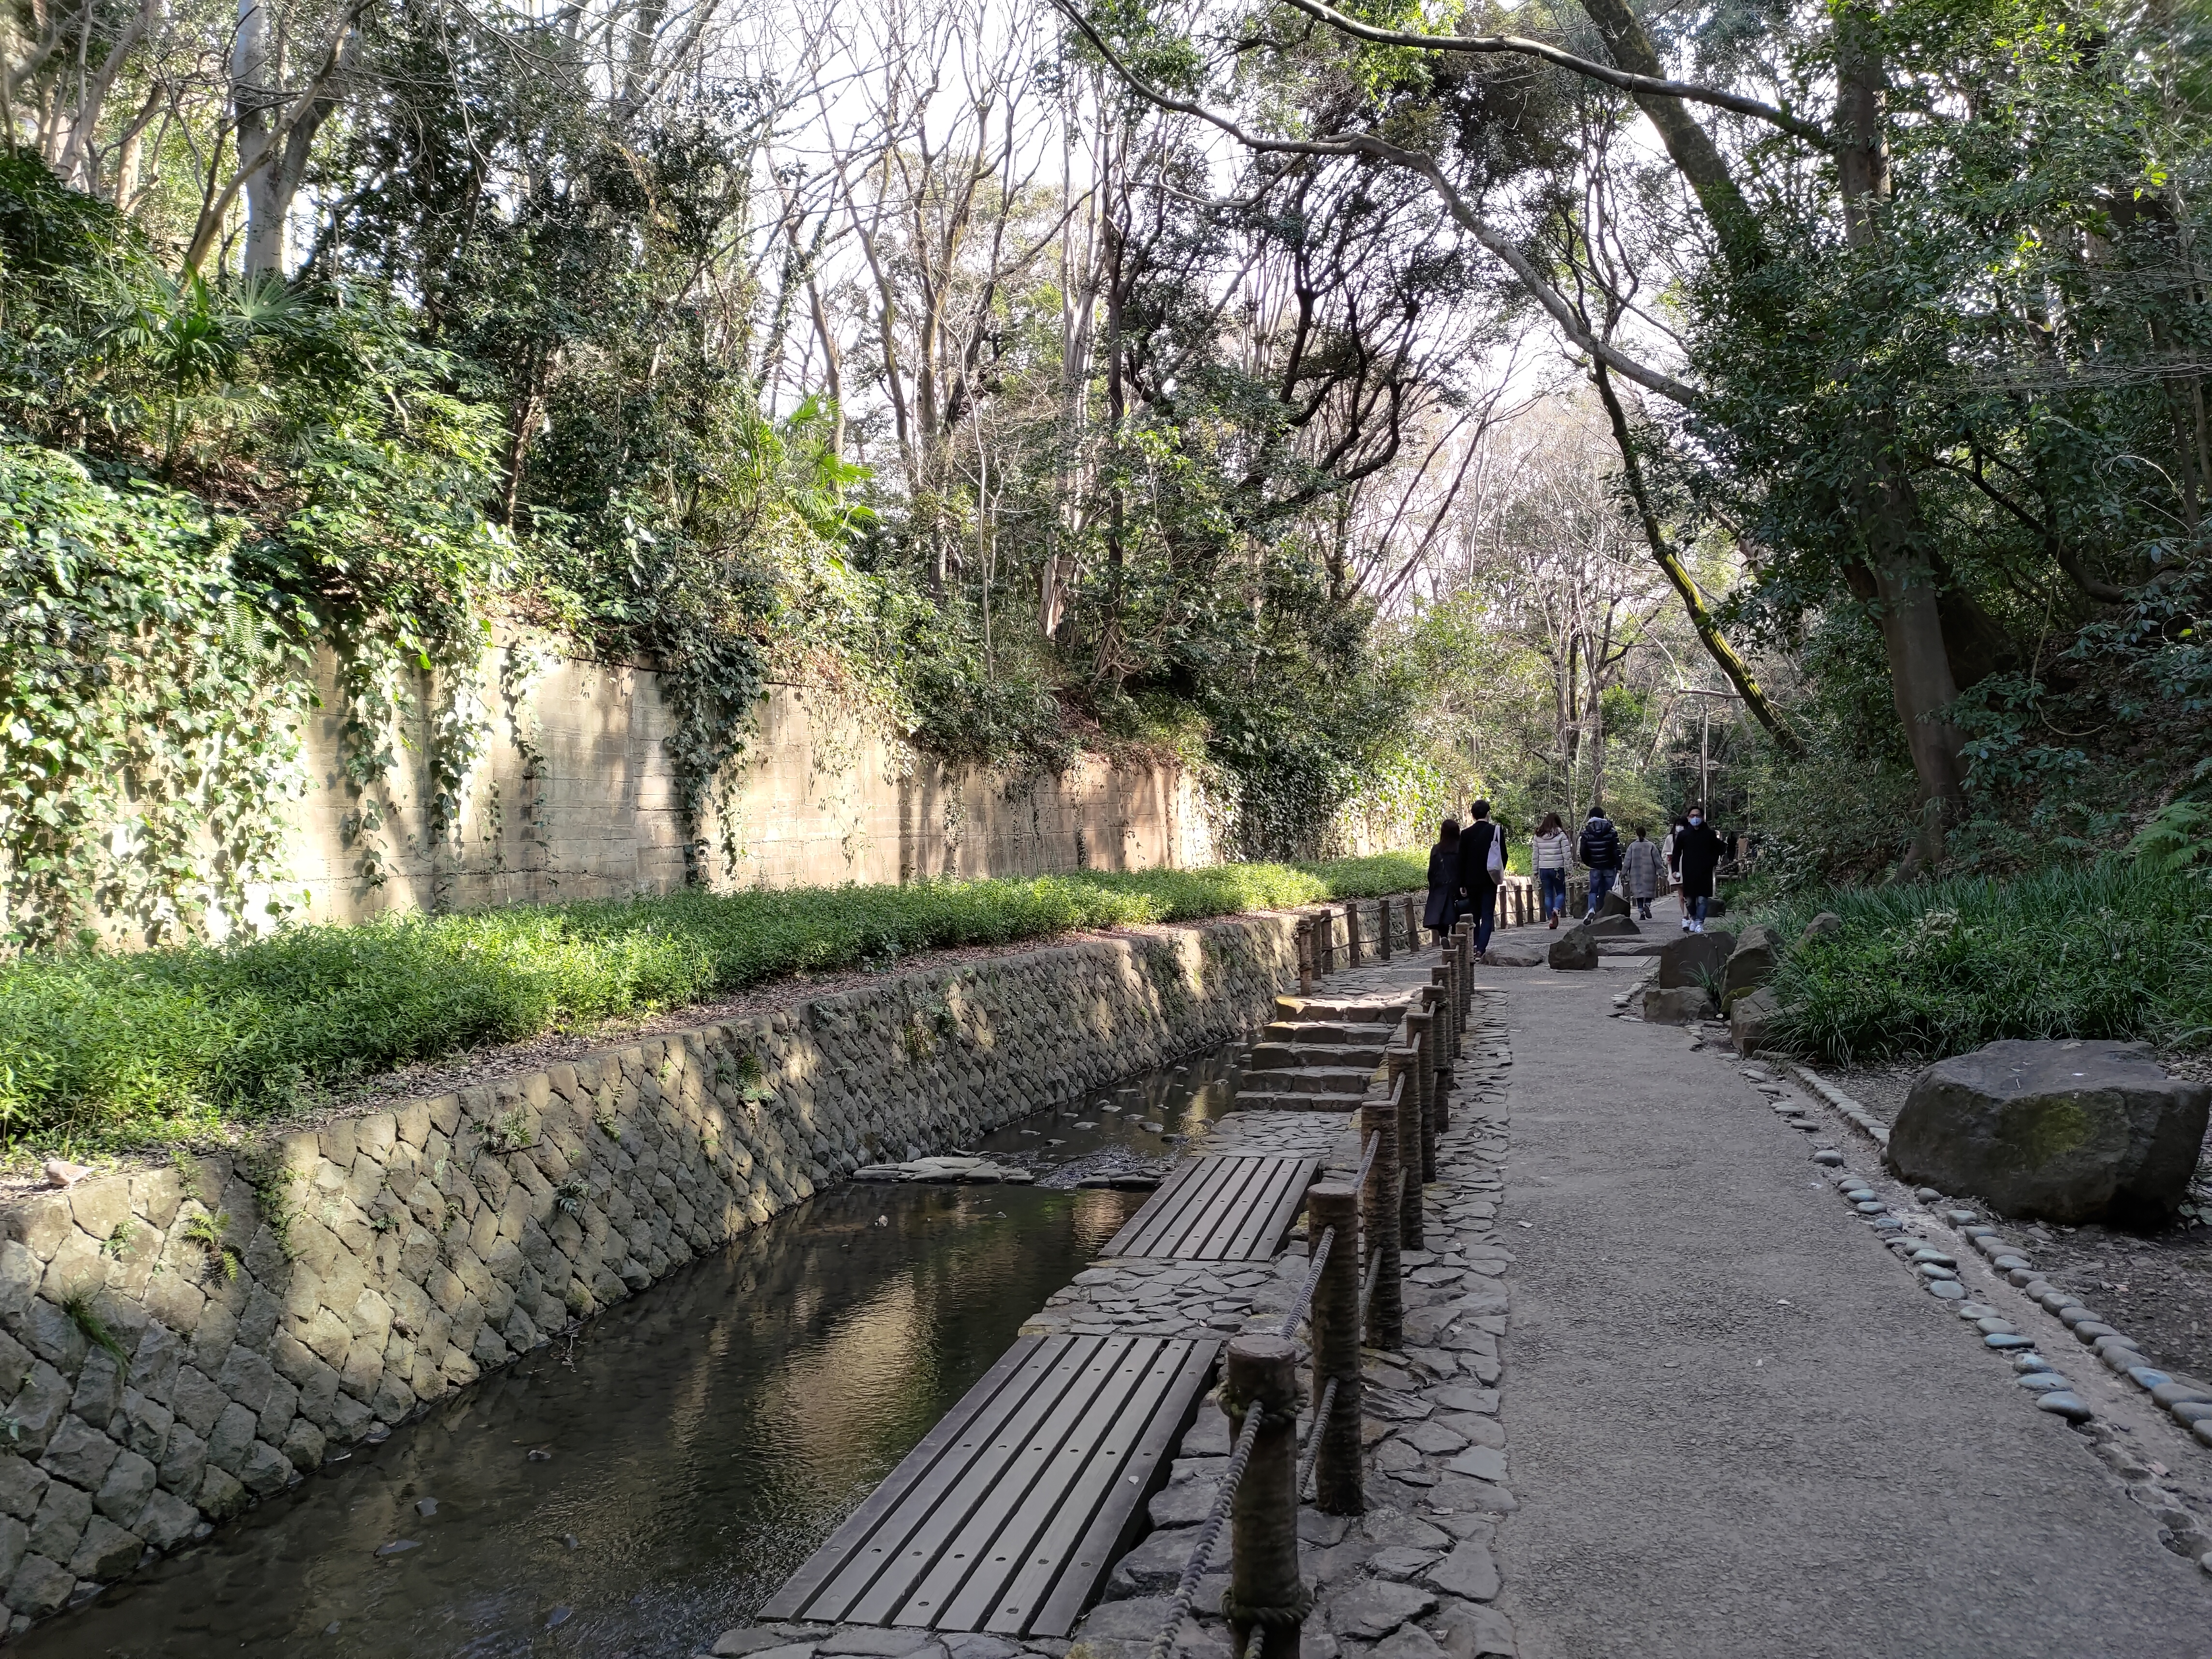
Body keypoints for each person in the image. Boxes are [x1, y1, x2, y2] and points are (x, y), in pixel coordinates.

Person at [1454, 800, 1505, 961]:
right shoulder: (1496, 831)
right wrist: (1497, 873)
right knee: (1487, 914)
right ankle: (1481, 949)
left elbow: (1461, 860)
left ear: (1473, 815)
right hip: (1490, 879)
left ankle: (1475, 945)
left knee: (1474, 914)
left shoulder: (1466, 834)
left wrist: (1462, 883)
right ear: (1488, 814)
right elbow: (1503, 855)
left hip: (1471, 881)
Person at [1672, 806, 1726, 933]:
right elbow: (1676, 853)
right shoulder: (1683, 835)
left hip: (1705, 872)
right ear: (1688, 818)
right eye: (1692, 816)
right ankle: (1694, 918)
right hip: (1689, 871)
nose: (1695, 818)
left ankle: (1700, 922)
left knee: (1702, 899)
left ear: (1702, 818)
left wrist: (1712, 861)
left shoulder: (1709, 834)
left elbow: (1721, 849)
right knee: (1690, 901)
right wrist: (1675, 870)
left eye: (1697, 816)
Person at [1576, 804, 1622, 920]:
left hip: (1595, 867)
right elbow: (1616, 850)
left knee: (1594, 891)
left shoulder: (1587, 832)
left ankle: (1591, 910)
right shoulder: (1611, 830)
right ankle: (1608, 913)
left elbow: (1583, 851)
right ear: (1603, 816)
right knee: (1609, 891)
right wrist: (1619, 866)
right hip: (1609, 866)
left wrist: (1589, 863)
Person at [1423, 818, 1462, 945]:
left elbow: (1431, 871)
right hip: (1458, 886)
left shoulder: (1437, 849)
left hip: (1441, 886)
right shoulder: (1461, 848)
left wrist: (1433, 887)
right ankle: (1456, 939)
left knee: (1442, 914)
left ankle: (1444, 936)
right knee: (1459, 914)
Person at [1531, 812, 1572, 930]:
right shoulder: (1561, 835)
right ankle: (1556, 910)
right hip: (1557, 869)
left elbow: (1535, 855)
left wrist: (1535, 870)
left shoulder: (1538, 836)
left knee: (1548, 894)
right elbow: (1566, 854)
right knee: (1561, 892)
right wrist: (1569, 869)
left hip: (1543, 869)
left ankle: (1551, 918)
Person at [1621, 824, 1666, 921]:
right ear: (1646, 834)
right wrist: (1662, 872)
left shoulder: (1632, 846)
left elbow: (1627, 861)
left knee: (1639, 893)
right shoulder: (1651, 845)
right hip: (1649, 872)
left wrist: (1623, 873)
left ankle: (1642, 913)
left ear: (1636, 834)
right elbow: (1657, 861)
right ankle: (1647, 906)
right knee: (1649, 892)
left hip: (1635, 873)